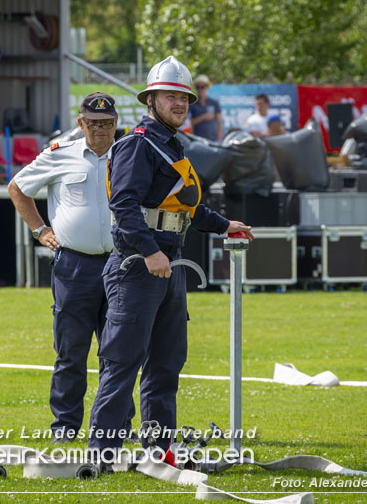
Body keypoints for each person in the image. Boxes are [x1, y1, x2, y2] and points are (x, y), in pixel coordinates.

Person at [88, 56, 254, 455]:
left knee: (167, 362)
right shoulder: (137, 144)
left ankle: (159, 449)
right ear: (151, 99)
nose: (179, 103)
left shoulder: (172, 144)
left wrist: (222, 224)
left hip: (170, 262)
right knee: (123, 361)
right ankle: (102, 452)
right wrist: (149, 252)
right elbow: (124, 205)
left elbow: (186, 209)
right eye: (170, 96)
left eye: (184, 97)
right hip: (138, 264)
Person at [8, 92, 134, 443]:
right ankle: (65, 427)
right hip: (75, 266)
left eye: (107, 124)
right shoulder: (59, 155)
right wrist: (39, 230)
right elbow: (17, 188)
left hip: (121, 263)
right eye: (93, 124)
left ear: (116, 124)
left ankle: (117, 425)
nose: (100, 131)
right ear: (81, 123)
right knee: (71, 351)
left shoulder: (128, 156)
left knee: (119, 352)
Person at [188, 75, 222, 141]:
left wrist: (219, 140)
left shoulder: (214, 103)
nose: (200, 89)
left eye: (202, 87)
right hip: (197, 140)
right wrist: (203, 117)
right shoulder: (192, 103)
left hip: (213, 140)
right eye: (198, 87)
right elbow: (189, 123)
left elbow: (219, 123)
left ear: (207, 87)